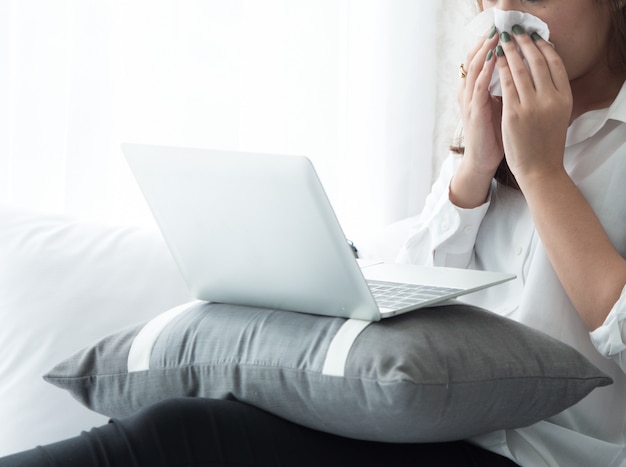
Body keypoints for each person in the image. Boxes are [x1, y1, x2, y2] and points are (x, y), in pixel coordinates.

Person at [1, 0, 625, 465]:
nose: (508, 16)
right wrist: (472, 172)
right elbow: (411, 289)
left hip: (541, 456)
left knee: (186, 441)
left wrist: (542, 171)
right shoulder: (499, 129)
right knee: (188, 423)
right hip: (417, 429)